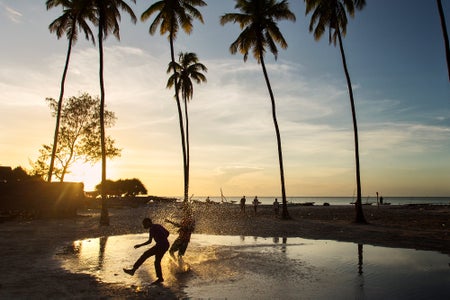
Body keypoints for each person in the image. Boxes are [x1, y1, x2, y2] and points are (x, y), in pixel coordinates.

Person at [123, 218, 170, 284]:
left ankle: (133, 270)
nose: (144, 226)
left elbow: (149, 241)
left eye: (144, 224)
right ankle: (160, 278)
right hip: (165, 245)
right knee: (157, 261)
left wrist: (140, 245)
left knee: (145, 255)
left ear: (148, 222)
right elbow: (168, 233)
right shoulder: (158, 225)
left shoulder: (152, 229)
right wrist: (163, 239)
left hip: (161, 245)